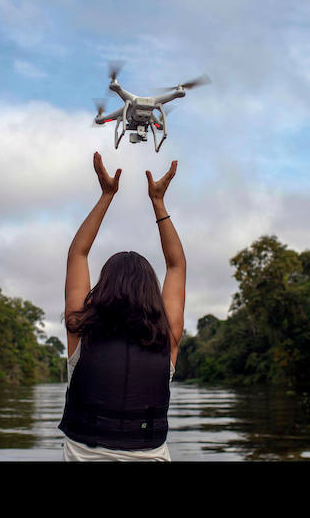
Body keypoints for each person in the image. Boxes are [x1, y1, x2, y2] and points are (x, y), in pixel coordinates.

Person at [58, 151, 185, 461]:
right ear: (149, 292)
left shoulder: (80, 330)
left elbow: (77, 255)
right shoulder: (167, 336)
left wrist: (106, 196)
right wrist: (158, 203)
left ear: (104, 288)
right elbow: (176, 265)